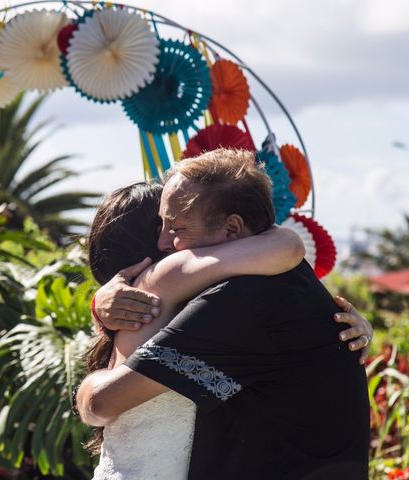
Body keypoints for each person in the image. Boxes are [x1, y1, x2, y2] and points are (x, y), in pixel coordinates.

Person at [79, 149, 371, 480]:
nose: (166, 242)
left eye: (176, 227)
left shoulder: (237, 304)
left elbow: (101, 403)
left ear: (232, 229)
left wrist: (86, 388)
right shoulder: (294, 281)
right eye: (161, 226)